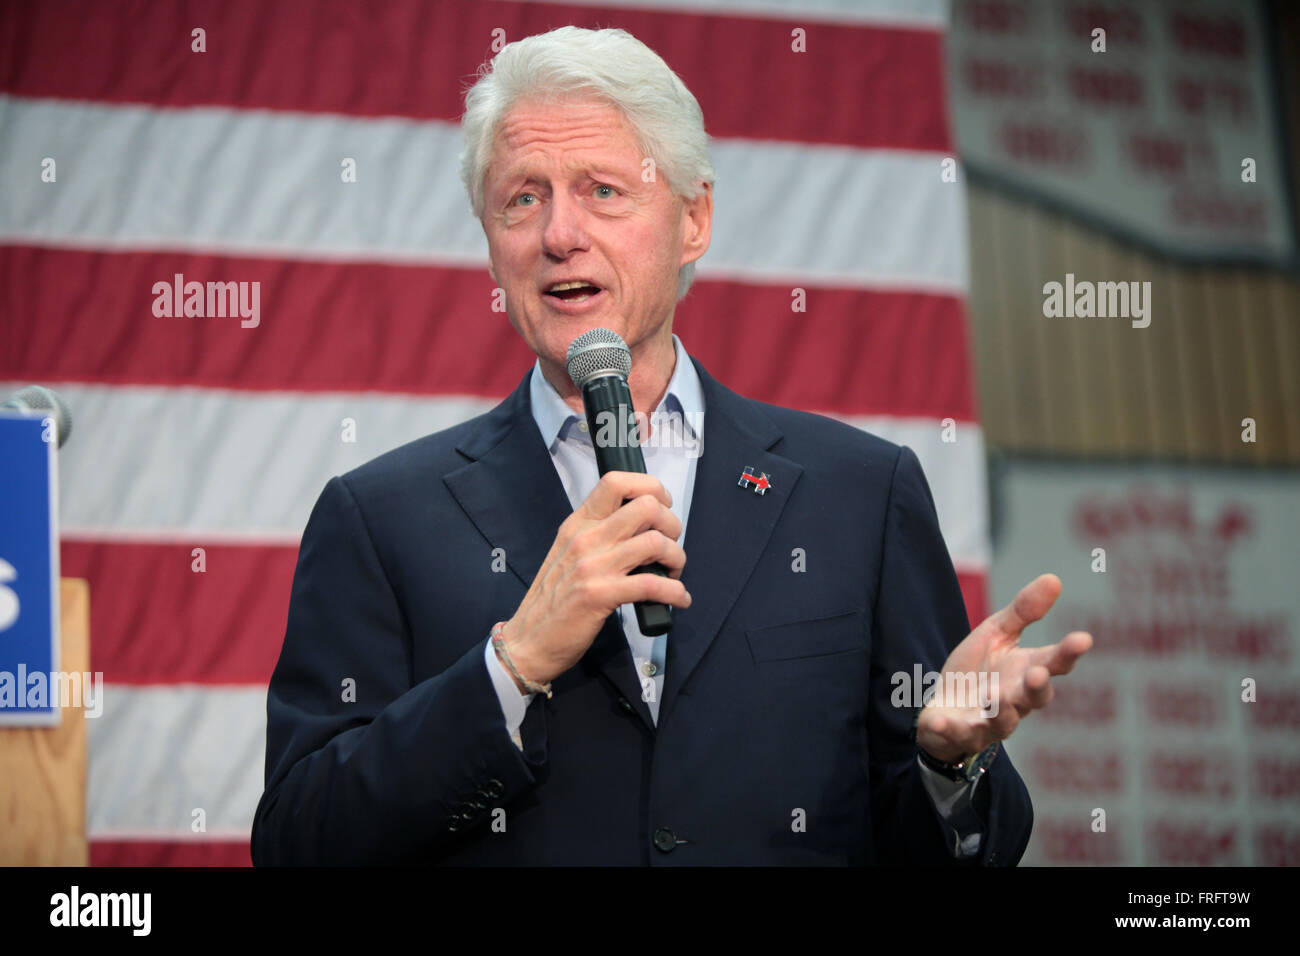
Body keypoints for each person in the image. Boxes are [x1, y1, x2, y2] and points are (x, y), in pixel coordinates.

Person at [251, 26, 1092, 866]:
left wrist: (949, 761)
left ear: (693, 220)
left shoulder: (861, 495)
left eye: (604, 190)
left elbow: (964, 853)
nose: (559, 234)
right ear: (490, 243)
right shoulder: (379, 518)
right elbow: (297, 841)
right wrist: (510, 668)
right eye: (522, 199)